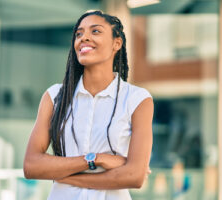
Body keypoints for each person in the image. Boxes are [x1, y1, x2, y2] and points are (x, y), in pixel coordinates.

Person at [23, 10, 154, 200]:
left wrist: (67, 177)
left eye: (95, 31)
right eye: (79, 34)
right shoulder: (54, 96)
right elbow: (32, 166)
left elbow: (134, 176)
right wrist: (94, 160)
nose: (84, 38)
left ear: (117, 43)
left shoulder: (138, 99)